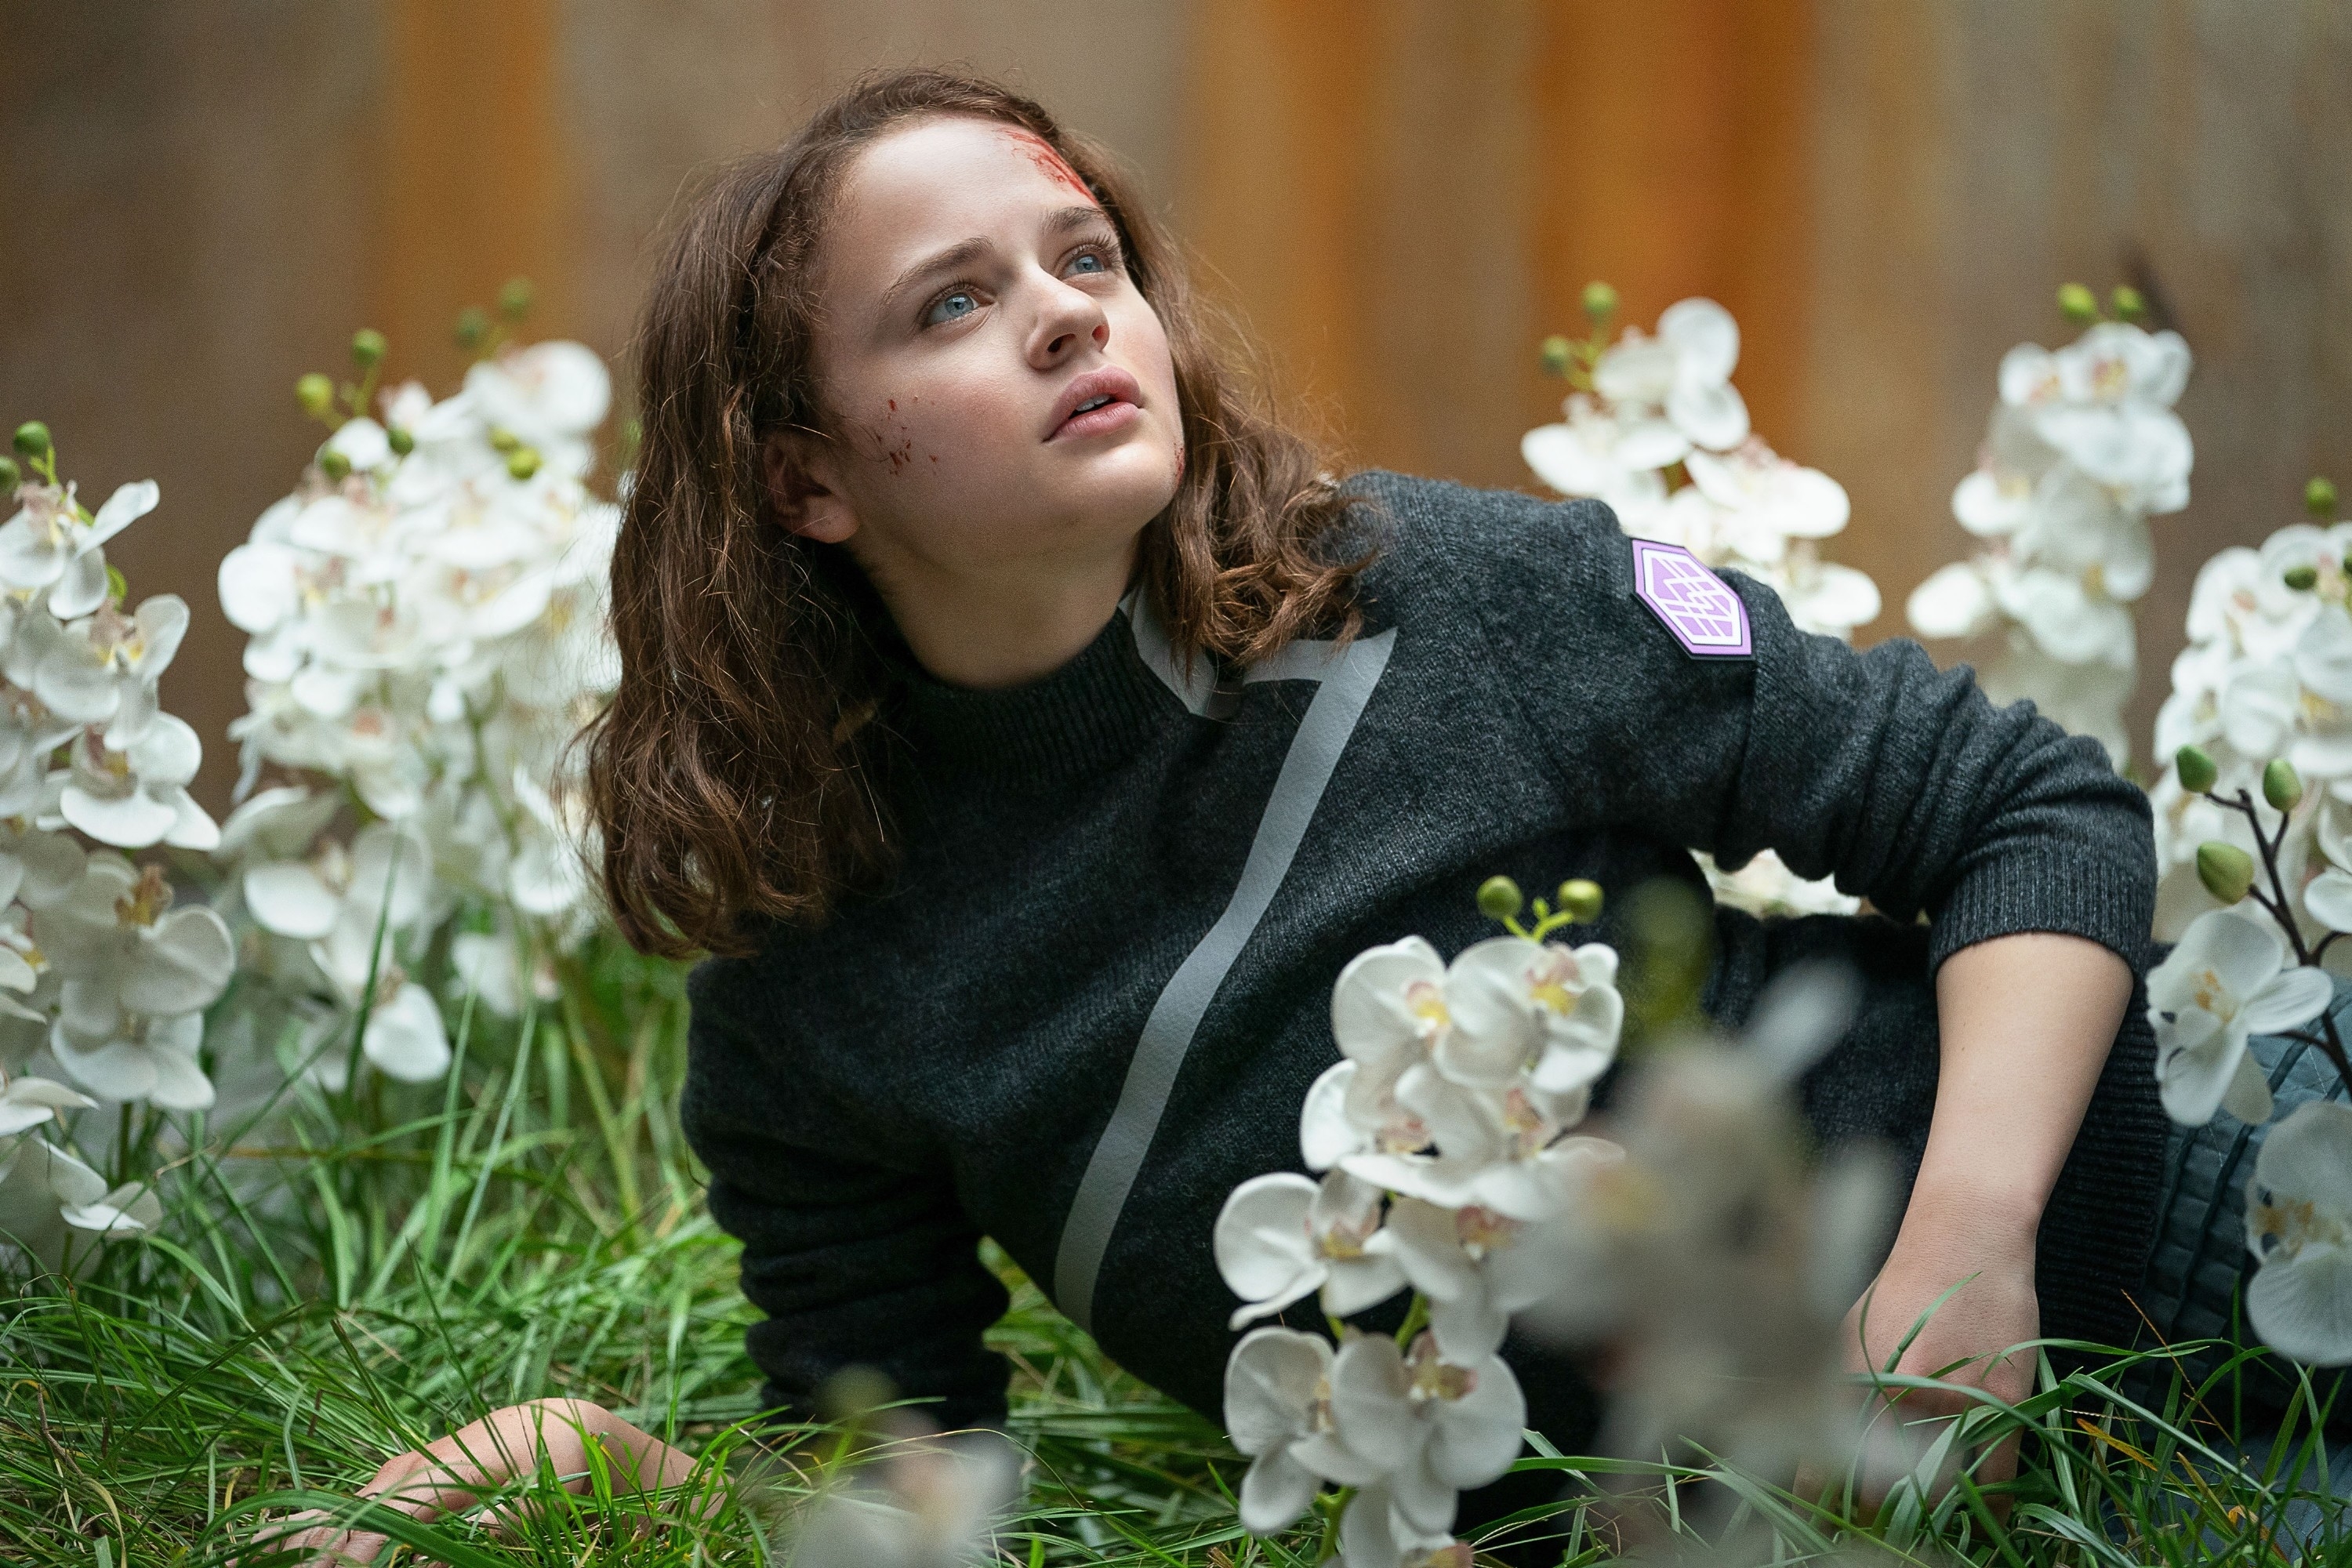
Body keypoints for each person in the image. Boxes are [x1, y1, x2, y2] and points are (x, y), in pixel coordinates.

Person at [291, 67, 2174, 1562]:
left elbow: (2036, 808)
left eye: (1083, 257)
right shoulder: (813, 995)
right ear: (806, 481)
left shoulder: (1445, 597)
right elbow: (903, 1508)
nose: (1059, 315)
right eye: (955, 301)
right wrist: (596, 1470)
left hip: (2150, 1272)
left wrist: (1965, 1258)